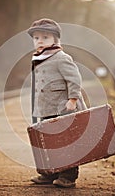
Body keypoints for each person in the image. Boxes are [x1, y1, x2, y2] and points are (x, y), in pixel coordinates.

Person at [27, 18, 87, 188]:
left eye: (45, 37)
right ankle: (49, 173)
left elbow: (74, 79)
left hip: (63, 109)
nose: (40, 40)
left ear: (55, 40)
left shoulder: (61, 57)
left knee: (65, 142)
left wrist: (72, 100)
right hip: (46, 109)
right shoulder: (39, 58)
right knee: (49, 143)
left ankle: (68, 175)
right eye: (36, 37)